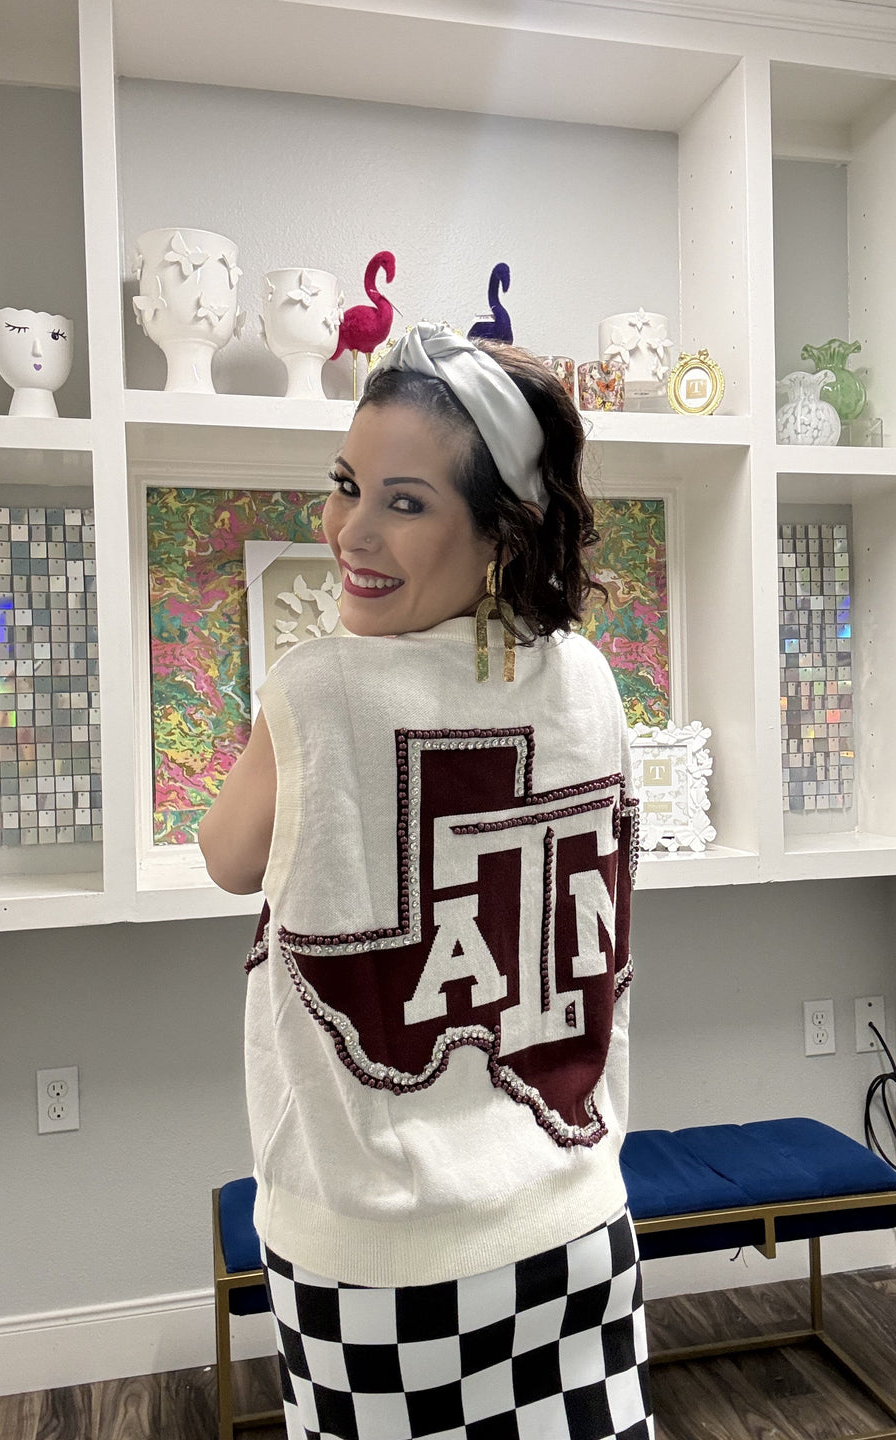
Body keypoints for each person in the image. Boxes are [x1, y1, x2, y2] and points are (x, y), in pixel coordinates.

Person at [198, 321, 651, 1440]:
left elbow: (225, 858)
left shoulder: (319, 689)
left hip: (377, 1256)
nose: (351, 529)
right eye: (346, 485)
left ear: (497, 532)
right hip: (580, 1224)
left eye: (405, 502)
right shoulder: (590, 680)